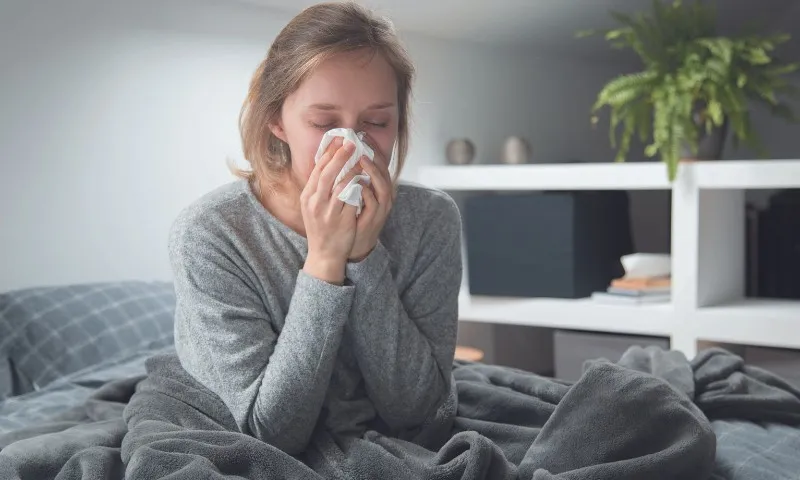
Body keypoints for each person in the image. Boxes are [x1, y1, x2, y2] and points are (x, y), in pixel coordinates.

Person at [168, 1, 462, 456]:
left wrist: (365, 257)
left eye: (377, 122)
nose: (353, 144)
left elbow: (419, 412)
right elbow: (273, 433)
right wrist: (326, 261)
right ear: (274, 119)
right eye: (324, 122)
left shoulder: (430, 218)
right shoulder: (211, 234)